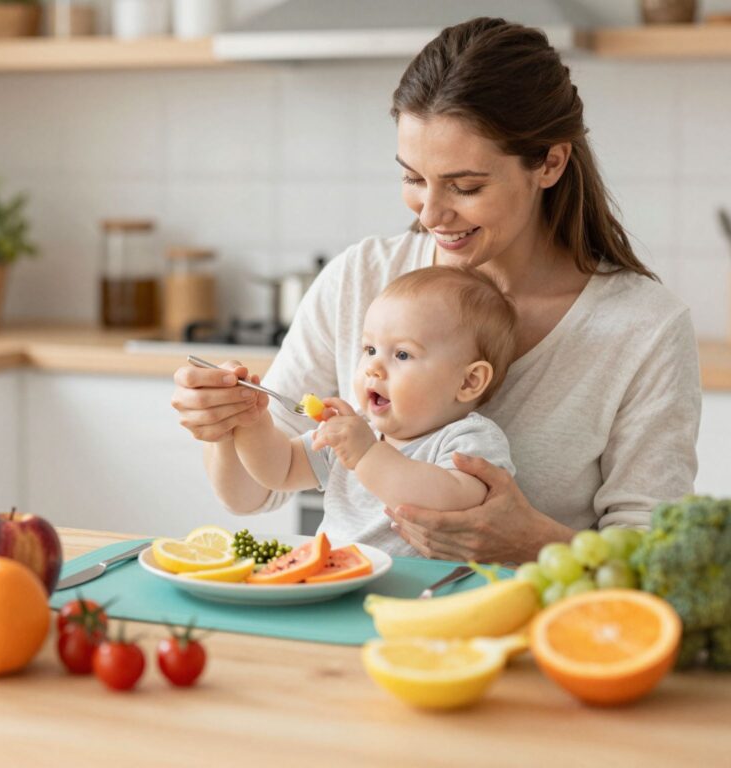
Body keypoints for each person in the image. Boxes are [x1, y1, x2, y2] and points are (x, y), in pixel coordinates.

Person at [170, 17, 700, 564]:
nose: (431, 214)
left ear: (550, 162)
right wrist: (227, 422)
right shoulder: (361, 277)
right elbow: (254, 491)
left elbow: (658, 556)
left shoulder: (643, 329)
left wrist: (534, 541)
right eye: (412, 178)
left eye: (465, 186)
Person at [230, 266, 518, 557]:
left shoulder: (469, 439)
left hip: (420, 593)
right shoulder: (358, 429)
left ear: (469, 381)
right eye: (369, 349)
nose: (373, 367)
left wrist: (366, 454)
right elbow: (282, 470)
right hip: (337, 577)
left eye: (402, 354)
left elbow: (450, 503)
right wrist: (253, 424)